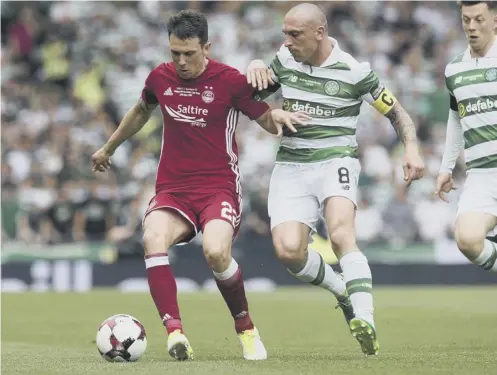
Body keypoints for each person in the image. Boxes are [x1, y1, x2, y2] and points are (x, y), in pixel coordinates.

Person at [92, 10, 308, 361]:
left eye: (189, 53)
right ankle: (175, 333)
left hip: (218, 188)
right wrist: (108, 147)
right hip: (173, 190)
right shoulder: (160, 78)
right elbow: (140, 111)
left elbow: (265, 119)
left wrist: (278, 116)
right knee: (152, 238)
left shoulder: (230, 81)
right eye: (174, 52)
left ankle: (246, 329)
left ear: (206, 47)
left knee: (215, 252)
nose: (180, 61)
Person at [246, 3, 424, 356]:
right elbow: (249, 100)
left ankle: (365, 317)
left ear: (319, 33)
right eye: (285, 33)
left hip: (335, 161)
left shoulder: (354, 72)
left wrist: (412, 148)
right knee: (288, 251)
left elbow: (397, 113)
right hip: (292, 165)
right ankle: (343, 291)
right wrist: (253, 69)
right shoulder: (284, 60)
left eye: (294, 34)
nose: (287, 40)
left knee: (342, 234)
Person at [434, 1, 497, 272]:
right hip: (481, 173)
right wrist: (446, 168)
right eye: (466, 19)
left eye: (479, 19)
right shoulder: (454, 69)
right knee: (468, 239)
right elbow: (455, 119)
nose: (472, 26)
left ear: (494, 21)